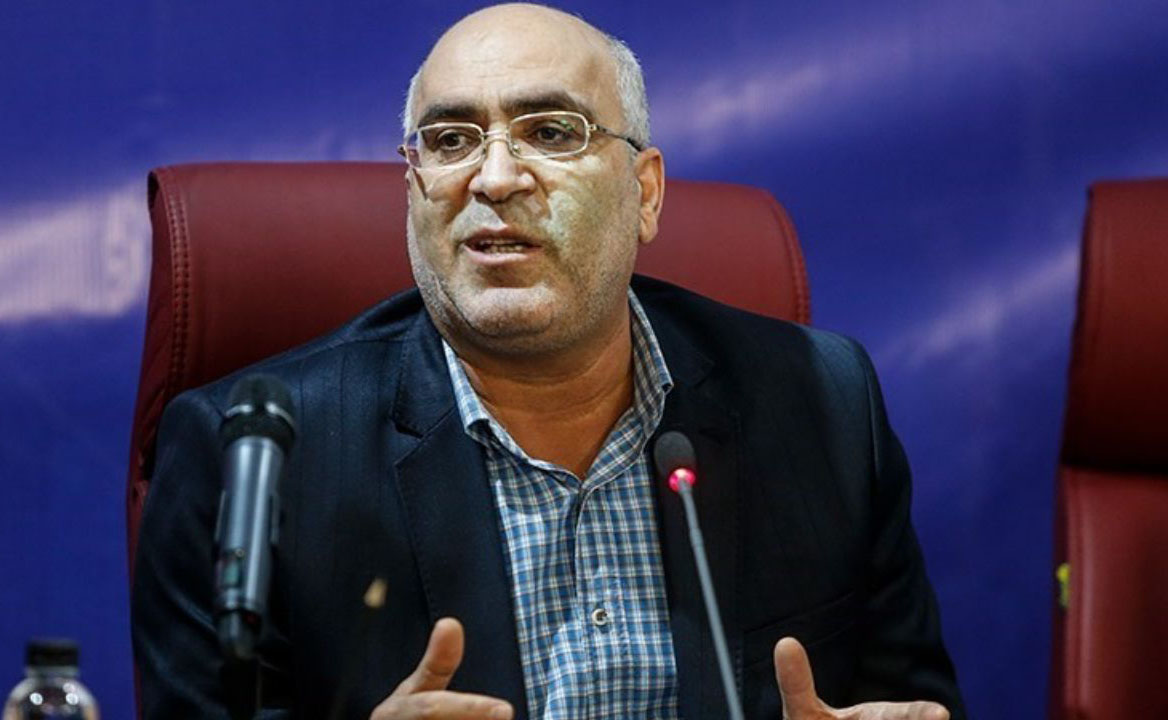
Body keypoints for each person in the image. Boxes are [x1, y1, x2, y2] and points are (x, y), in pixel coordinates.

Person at [132, 4, 966, 719]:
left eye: (552, 132)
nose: (495, 178)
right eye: (451, 140)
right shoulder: (252, 457)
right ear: (413, 189)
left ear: (645, 193)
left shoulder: (822, 403)